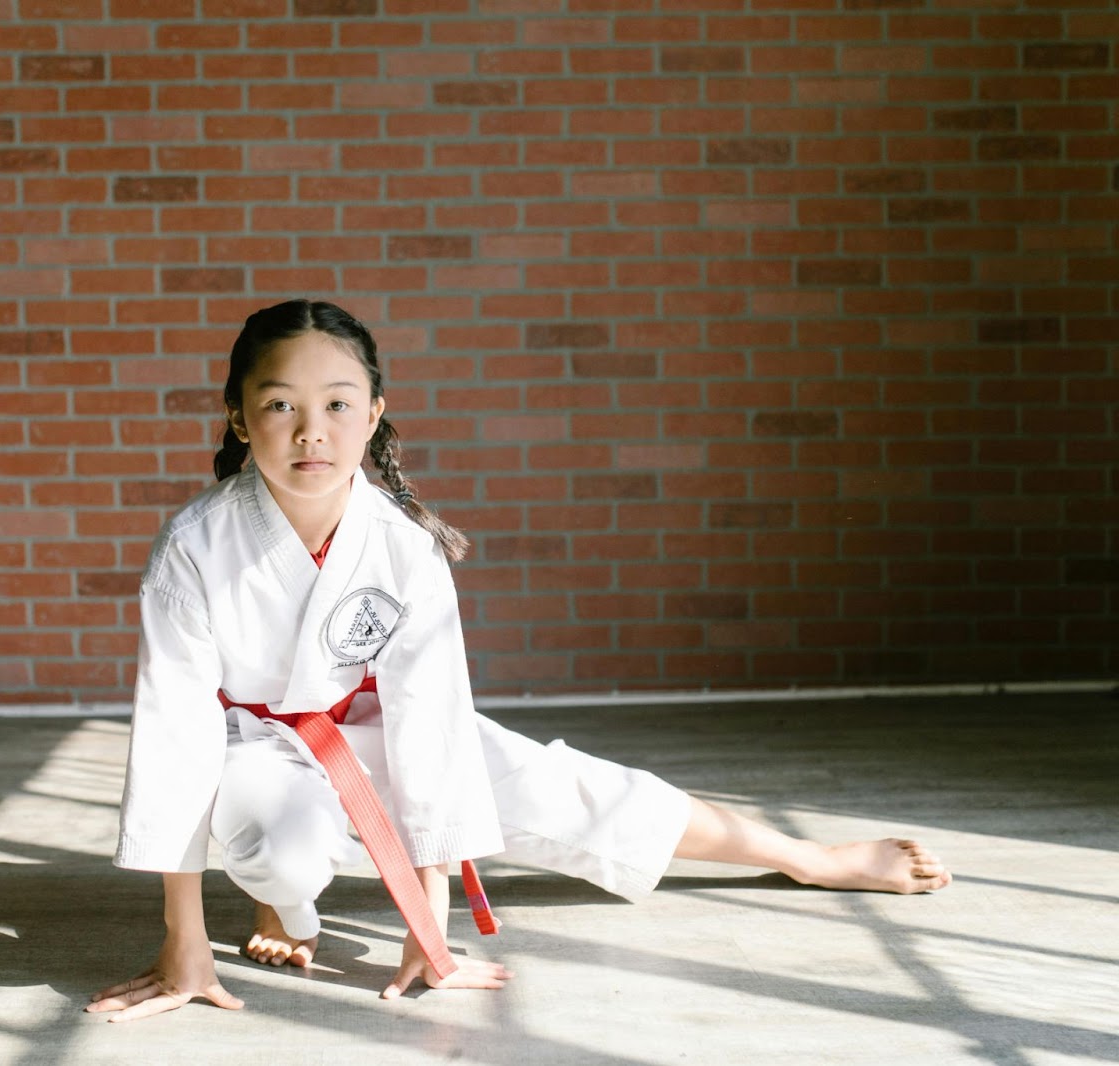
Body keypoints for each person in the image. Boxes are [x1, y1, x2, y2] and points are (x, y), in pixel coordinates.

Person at [86, 299, 951, 1024]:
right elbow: (176, 736)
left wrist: (430, 920)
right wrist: (182, 942)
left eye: (339, 405)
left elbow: (430, 726)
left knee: (571, 790)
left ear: (376, 414)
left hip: (369, 724)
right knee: (284, 843)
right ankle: (285, 899)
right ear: (239, 414)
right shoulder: (196, 545)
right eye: (280, 406)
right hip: (252, 742)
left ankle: (810, 857)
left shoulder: (403, 546)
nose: (312, 431)